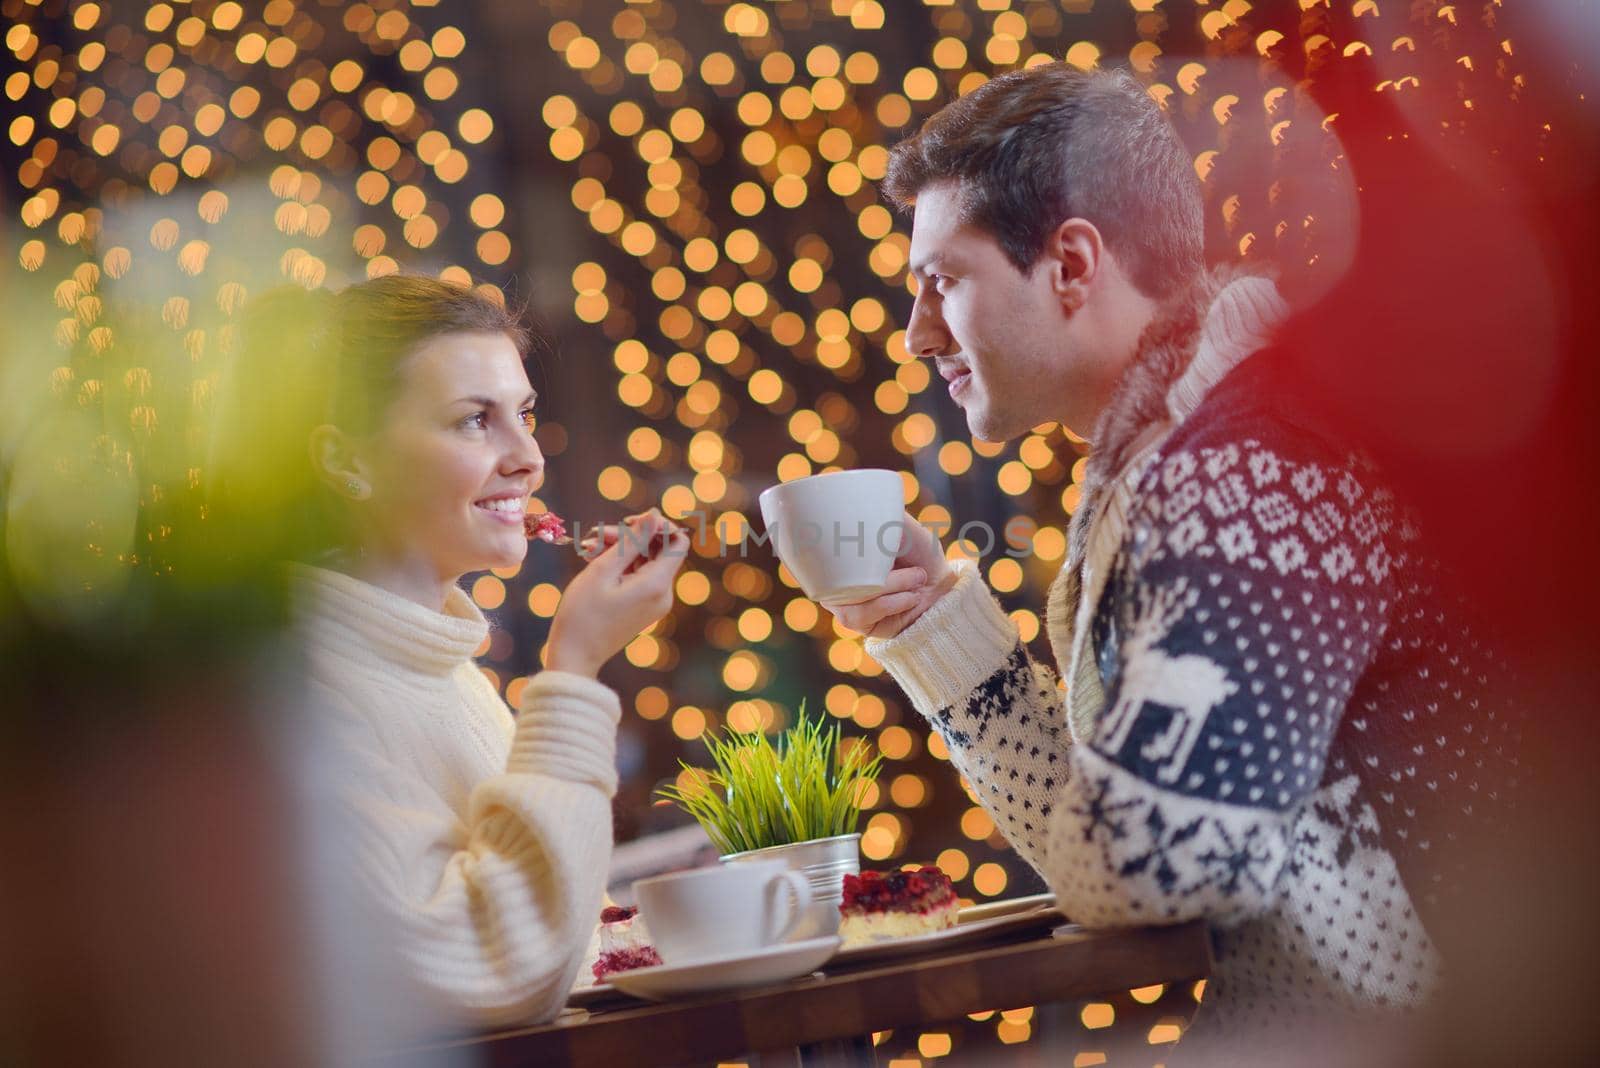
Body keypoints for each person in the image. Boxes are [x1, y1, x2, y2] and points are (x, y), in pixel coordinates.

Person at [825, 65, 1520, 1050]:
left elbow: (1145, 869)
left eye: (941, 281)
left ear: (1070, 263)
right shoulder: (1173, 461)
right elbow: (1124, 832)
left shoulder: (1261, 469)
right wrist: (938, 628)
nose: (914, 335)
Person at [223, 275, 687, 1033]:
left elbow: (551, 933)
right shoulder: (300, 691)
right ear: (346, 462)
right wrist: (572, 668)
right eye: (475, 421)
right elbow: (492, 971)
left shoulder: (445, 669)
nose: (529, 458)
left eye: (526, 415)